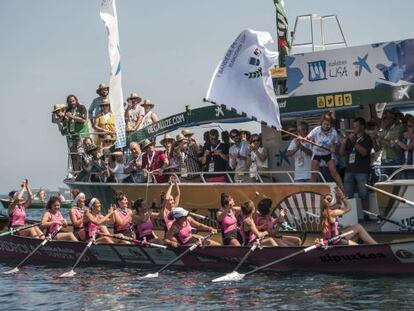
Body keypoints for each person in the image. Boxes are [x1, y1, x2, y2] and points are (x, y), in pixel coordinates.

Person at [339, 117, 373, 218]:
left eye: (356, 126)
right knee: (348, 195)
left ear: (362, 127)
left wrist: (354, 142)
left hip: (362, 171)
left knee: (364, 194)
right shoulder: (350, 139)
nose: (354, 128)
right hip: (349, 170)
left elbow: (364, 152)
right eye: (353, 126)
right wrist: (344, 143)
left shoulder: (367, 138)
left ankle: (366, 216)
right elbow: (341, 153)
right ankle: (350, 217)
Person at [306, 112, 345, 192]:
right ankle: (311, 191)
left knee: (334, 172)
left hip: (327, 154)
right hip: (317, 153)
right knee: (314, 173)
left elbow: (336, 144)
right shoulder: (316, 130)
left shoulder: (333, 132)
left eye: (328, 124)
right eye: (324, 124)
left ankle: (343, 190)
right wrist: (304, 138)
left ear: (331, 124)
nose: (326, 126)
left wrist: (334, 148)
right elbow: (308, 138)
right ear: (321, 123)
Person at [376, 110, 403, 179]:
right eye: (382, 119)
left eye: (385, 118)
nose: (383, 120)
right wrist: (376, 139)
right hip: (384, 160)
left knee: (397, 185)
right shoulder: (384, 130)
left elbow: (393, 144)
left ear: (391, 118)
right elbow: (378, 147)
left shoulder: (398, 128)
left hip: (395, 160)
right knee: (384, 184)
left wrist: (381, 140)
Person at [65, 94, 89, 172]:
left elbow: (83, 120)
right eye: (70, 101)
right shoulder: (68, 110)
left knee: (80, 152)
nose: (72, 103)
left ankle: (83, 169)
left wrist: (72, 117)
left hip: (81, 134)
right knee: (73, 153)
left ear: (76, 100)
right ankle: (76, 171)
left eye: (73, 101)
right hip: (72, 135)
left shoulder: (81, 107)